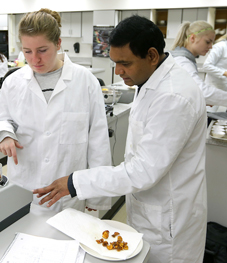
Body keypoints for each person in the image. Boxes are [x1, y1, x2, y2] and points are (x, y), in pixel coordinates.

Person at [34, 15, 207, 263]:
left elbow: (143, 171)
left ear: (152, 56)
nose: (118, 71)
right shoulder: (152, 80)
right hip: (150, 209)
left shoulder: (173, 97)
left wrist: (74, 182)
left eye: (125, 63)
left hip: (169, 224)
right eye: (114, 62)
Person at [0, 8, 112, 212]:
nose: (34, 59)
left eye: (42, 50)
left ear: (58, 43)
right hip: (24, 186)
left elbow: (98, 143)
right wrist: (4, 134)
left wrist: (95, 198)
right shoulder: (13, 82)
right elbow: (2, 119)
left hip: (68, 194)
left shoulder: (85, 81)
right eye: (27, 51)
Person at [170, 21, 227, 107]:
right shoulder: (182, 61)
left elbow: (185, 91)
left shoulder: (185, 59)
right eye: (208, 42)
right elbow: (200, 91)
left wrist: (200, 100)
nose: (211, 46)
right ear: (192, 38)